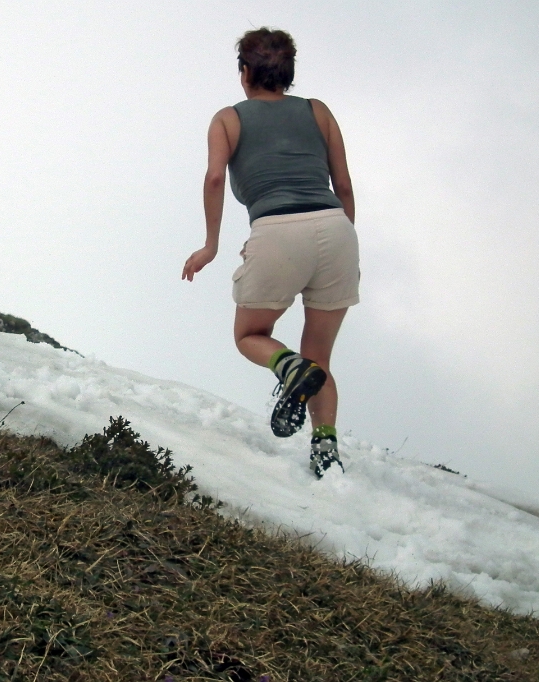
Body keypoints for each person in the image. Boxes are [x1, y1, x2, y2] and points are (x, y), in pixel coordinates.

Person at [181, 28, 359, 478]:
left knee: (250, 336)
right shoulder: (318, 112)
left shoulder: (228, 119)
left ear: (245, 73)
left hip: (276, 229)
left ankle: (288, 367)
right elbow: (343, 185)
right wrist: (337, 237)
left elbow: (215, 179)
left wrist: (211, 244)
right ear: (288, 73)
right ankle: (325, 450)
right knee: (321, 356)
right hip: (337, 229)